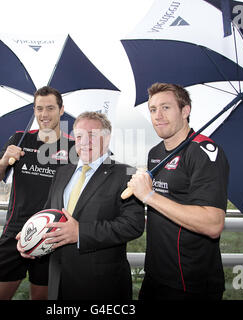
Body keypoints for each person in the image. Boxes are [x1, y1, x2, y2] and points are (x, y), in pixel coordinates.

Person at [17, 111, 145, 300]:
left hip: (101, 286)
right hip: (57, 281)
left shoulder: (126, 174)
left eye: (92, 136)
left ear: (107, 138)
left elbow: (133, 225)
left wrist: (80, 233)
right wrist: (30, 236)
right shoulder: (61, 173)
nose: (85, 142)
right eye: (79, 136)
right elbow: (48, 214)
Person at [127, 83, 229, 300]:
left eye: (166, 107)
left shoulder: (205, 153)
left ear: (185, 110)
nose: (158, 116)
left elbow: (213, 224)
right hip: (155, 275)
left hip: (192, 283)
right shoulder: (156, 152)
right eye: (153, 109)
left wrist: (149, 196)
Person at [0, 86, 75, 300]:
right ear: (34, 110)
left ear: (61, 110)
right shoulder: (19, 139)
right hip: (13, 232)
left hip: (51, 235)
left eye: (50, 108)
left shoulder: (73, 147)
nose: (44, 114)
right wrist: (5, 160)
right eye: (39, 108)